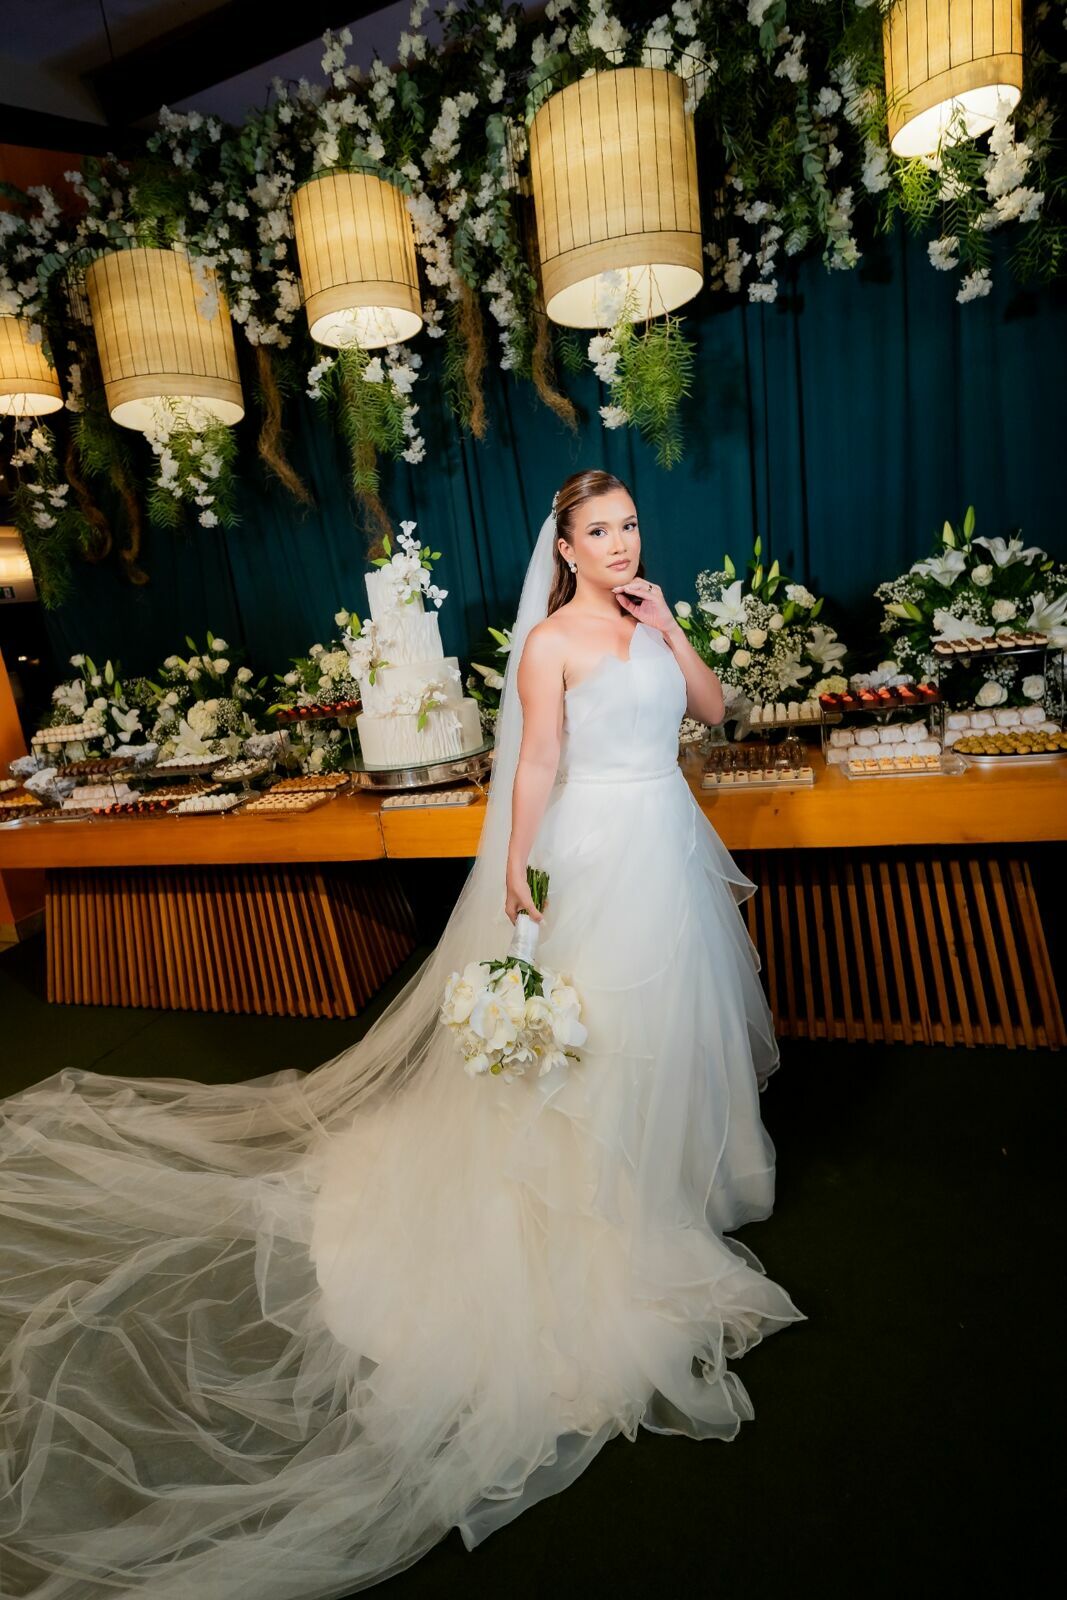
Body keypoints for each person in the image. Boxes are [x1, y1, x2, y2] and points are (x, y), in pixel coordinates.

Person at [0, 469, 805, 1600]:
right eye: (600, 531)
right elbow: (534, 763)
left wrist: (671, 627)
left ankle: (679, 1176)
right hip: (591, 850)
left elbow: (711, 714)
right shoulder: (550, 645)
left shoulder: (648, 620)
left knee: (677, 1019)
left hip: (666, 841)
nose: (621, 544)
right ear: (565, 549)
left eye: (629, 526)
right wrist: (519, 873)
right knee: (603, 1035)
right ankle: (604, 1204)